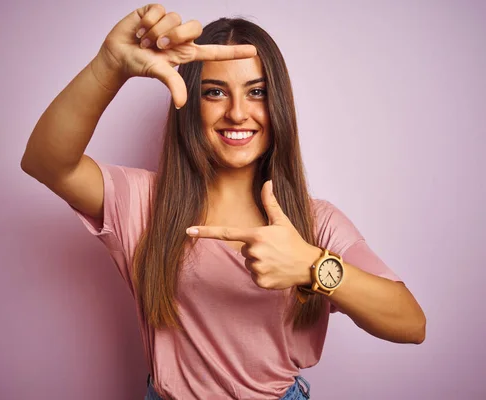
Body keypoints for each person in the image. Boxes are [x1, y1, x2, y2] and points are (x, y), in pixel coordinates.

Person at [21, 4, 426, 399]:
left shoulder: (315, 222)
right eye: (215, 92)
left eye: (257, 92)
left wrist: (311, 265)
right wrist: (109, 64)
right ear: (191, 104)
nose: (237, 112)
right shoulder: (143, 202)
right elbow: (46, 163)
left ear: (278, 105)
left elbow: (411, 323)